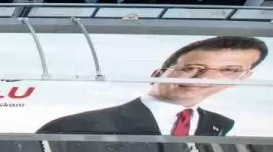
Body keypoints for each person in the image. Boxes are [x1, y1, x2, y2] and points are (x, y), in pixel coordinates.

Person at [36, 36, 267, 136]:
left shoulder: (220, 126)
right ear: (157, 74)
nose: (203, 78)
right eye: (191, 68)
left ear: (241, 79)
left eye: (229, 70)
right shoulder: (76, 126)